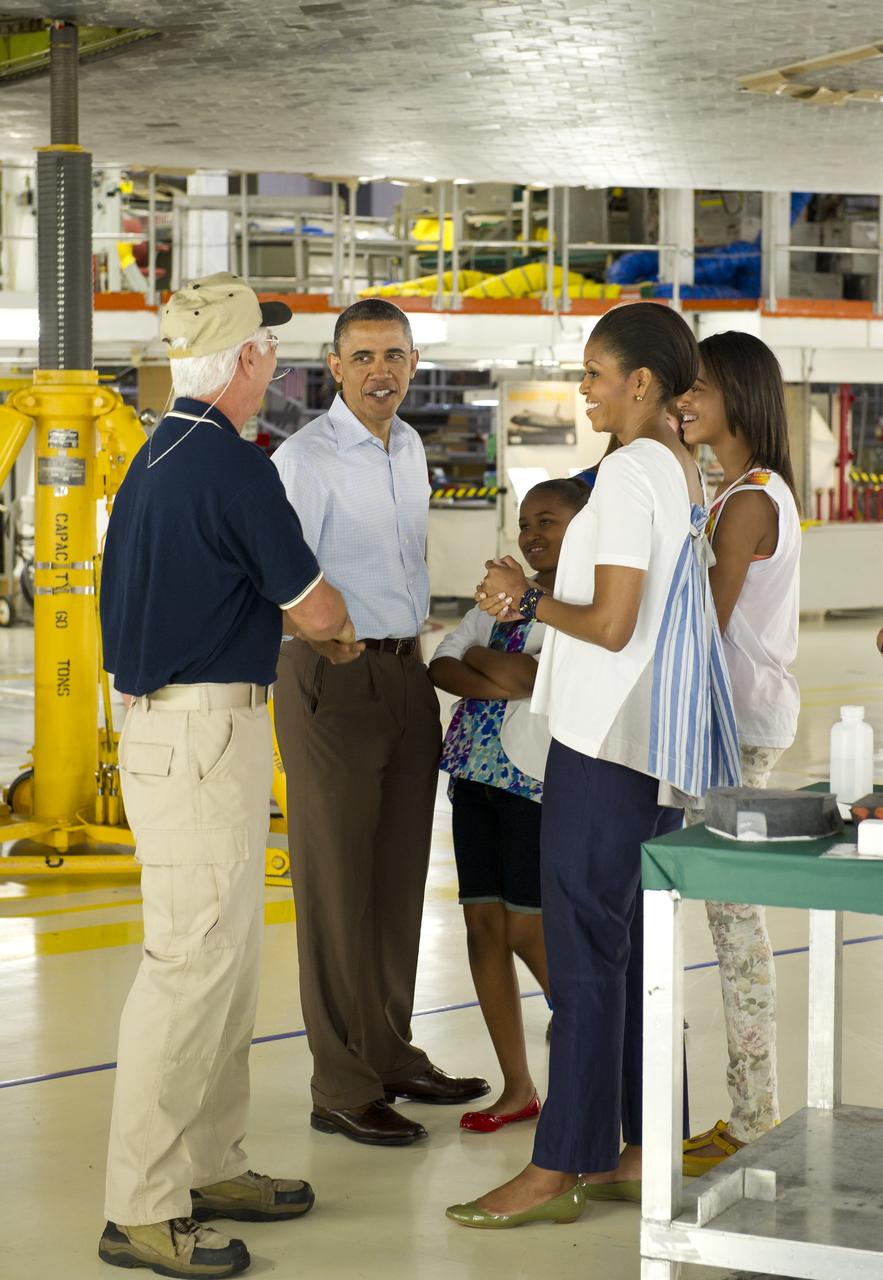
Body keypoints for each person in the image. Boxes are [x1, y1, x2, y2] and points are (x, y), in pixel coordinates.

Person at [445, 301, 740, 1230]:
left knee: (583, 959)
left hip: (602, 744)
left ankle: (557, 1162)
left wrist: (522, 597)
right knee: (628, 954)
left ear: (640, 384)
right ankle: (641, 1144)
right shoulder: (676, 469)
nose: (584, 389)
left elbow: (610, 623)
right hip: (644, 747)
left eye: (595, 374)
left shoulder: (624, 478)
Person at [99, 273, 354, 1279]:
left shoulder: (157, 455)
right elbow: (320, 610)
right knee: (189, 968)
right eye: (269, 346)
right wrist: (327, 623)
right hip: (203, 737)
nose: (275, 360)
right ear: (247, 360)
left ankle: (209, 1160)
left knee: (224, 959)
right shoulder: (237, 469)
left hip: (177, 732)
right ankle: (144, 1207)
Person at [271, 298, 489, 1148]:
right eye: (362, 357)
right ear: (332, 366)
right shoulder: (306, 457)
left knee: (396, 882)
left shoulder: (408, 449)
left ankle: (390, 1052)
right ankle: (340, 1083)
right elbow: (277, 577)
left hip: (406, 673)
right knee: (335, 888)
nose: (380, 372)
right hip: (335, 677)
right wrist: (326, 647)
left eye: (394, 355)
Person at [677, 330, 801, 1175]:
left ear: (739, 397)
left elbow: (704, 624)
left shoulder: (751, 499)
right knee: (730, 921)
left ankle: (754, 1113)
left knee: (734, 924)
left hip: (738, 726)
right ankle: (750, 1106)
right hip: (734, 721)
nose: (684, 402)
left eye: (697, 390)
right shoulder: (734, 492)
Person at [429, 479, 588, 1133]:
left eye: (547, 521)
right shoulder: (498, 598)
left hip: (532, 786)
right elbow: (441, 662)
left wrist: (486, 660)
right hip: (471, 779)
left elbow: (536, 680)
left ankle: (596, 1048)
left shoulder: (583, 605)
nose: (531, 535)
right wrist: (486, 659)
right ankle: (517, 1086)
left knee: (527, 929)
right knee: (481, 931)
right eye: (525, 523)